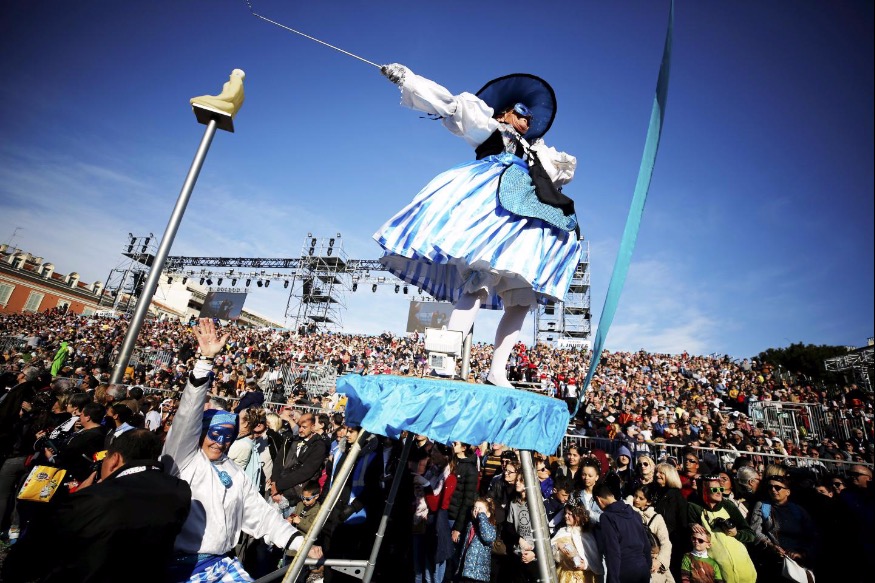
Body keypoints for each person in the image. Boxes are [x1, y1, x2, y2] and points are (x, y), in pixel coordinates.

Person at [376, 64, 582, 387]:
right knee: (479, 279)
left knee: (521, 298)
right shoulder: (490, 127)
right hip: (491, 203)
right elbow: (451, 106)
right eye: (522, 113)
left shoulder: (534, 154)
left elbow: (558, 174)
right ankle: (444, 361)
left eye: (530, 118)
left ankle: (497, 370)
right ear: (504, 113)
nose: (527, 121)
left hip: (522, 214)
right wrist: (409, 80)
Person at [161, 318, 320, 582]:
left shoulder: (233, 471)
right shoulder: (183, 458)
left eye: (227, 436)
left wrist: (298, 542)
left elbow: (260, 514)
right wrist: (205, 362)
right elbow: (187, 416)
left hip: (221, 566)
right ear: (200, 433)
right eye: (214, 434)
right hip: (179, 569)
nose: (220, 442)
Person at [2, 429, 192, 583]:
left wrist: (76, 499)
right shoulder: (179, 490)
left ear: (114, 459)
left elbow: (27, 558)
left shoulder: (94, 498)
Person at [593, 481, 652, 583]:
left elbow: (612, 551)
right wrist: (647, 568)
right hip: (643, 569)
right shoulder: (635, 514)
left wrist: (613, 579)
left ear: (599, 500)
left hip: (624, 571)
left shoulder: (607, 517)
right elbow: (646, 546)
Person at [551, 498, 603, 583]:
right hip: (565, 576)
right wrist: (558, 545)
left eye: (569, 514)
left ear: (578, 516)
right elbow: (549, 550)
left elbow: (594, 559)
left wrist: (585, 565)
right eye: (565, 513)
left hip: (584, 578)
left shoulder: (586, 534)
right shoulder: (562, 531)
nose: (566, 516)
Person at [457, 497, 497, 582]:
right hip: (466, 571)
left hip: (478, 575)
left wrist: (482, 516)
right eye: (475, 508)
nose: (477, 510)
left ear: (488, 514)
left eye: (480, 509)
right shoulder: (470, 524)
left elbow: (488, 537)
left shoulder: (490, 526)